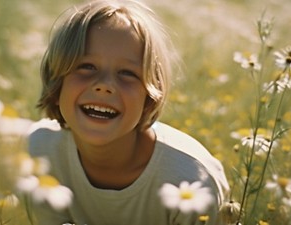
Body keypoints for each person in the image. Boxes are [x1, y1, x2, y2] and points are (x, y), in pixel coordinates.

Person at [28, 0, 229, 224]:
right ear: (57, 83)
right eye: (86, 66)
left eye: (127, 73)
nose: (105, 85)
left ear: (150, 95)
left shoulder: (191, 179)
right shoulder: (36, 152)